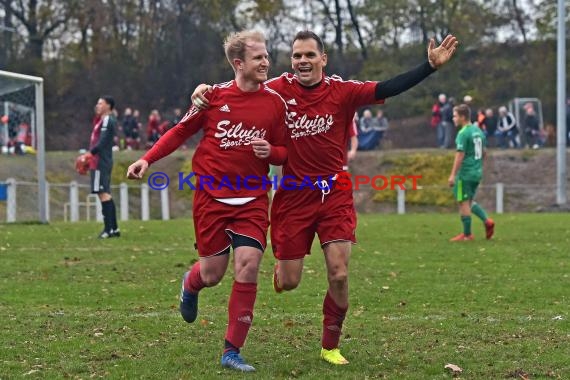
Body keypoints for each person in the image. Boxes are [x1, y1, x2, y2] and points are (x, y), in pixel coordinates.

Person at [192, 31, 458, 365]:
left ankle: (330, 345)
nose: (302, 61)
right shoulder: (275, 88)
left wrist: (428, 67)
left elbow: (387, 87)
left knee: (339, 272)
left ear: (323, 59)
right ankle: (281, 274)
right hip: (292, 197)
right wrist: (205, 90)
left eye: (309, 55)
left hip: (334, 193)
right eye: (297, 56)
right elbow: (241, 83)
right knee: (289, 282)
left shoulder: (343, 91)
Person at [127, 30, 287, 372]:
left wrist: (271, 151)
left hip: (254, 200)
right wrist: (147, 159)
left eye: (267, 56)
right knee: (213, 274)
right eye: (258, 57)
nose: (266, 62)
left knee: (248, 265)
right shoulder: (212, 98)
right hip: (212, 200)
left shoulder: (274, 102)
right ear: (239, 63)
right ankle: (190, 283)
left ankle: (232, 351)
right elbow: (180, 131)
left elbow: (285, 150)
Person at [448, 104, 494, 242]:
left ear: (462, 117)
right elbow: (484, 153)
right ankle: (487, 221)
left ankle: (467, 235)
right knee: (469, 201)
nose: (453, 118)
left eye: (455, 115)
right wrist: (478, 167)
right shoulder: (478, 131)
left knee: (462, 202)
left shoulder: (463, 133)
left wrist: (452, 175)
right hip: (476, 172)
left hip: (465, 173)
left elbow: (460, 155)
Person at [78, 96, 120, 239]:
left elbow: (102, 141)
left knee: (103, 193)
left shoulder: (107, 119)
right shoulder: (102, 120)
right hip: (102, 160)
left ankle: (108, 230)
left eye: (100, 103)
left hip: (100, 161)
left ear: (108, 106)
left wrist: (90, 154)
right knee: (105, 193)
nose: (97, 105)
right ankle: (114, 228)